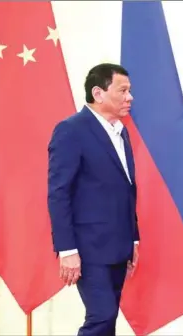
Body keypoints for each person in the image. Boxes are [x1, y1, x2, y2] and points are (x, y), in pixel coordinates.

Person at [47, 63, 139, 335]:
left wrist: (133, 237)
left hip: (119, 245)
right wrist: (67, 250)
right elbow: (58, 192)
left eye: (130, 91)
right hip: (88, 248)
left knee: (107, 321)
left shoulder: (121, 131)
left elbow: (127, 189)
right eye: (123, 90)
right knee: (102, 316)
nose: (130, 97)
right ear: (98, 93)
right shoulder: (71, 130)